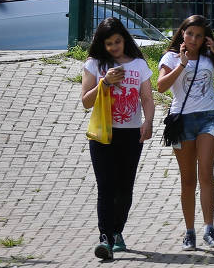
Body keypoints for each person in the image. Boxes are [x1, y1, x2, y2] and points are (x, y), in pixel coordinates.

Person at [157, 15, 214, 250]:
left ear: (205, 39)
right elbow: (161, 87)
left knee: (206, 173)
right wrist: (181, 64)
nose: (193, 39)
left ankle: (209, 229)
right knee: (188, 179)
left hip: (208, 119)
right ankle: (189, 231)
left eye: (199, 36)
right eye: (190, 33)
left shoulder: (209, 57)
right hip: (182, 122)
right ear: (182, 33)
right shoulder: (171, 57)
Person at [80, 17, 154, 260]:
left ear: (125, 39)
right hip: (103, 133)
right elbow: (85, 102)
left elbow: (146, 98)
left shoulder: (139, 65)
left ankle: (116, 231)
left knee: (125, 189)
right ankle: (105, 238)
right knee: (106, 187)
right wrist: (105, 82)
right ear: (102, 44)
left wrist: (148, 121)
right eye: (109, 43)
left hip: (131, 134)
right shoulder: (94, 64)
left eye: (117, 42)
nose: (114, 47)